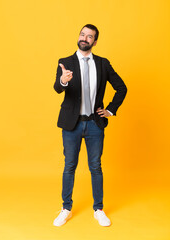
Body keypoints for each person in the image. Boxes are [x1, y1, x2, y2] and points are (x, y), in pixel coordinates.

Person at [53, 24, 127, 227]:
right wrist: (64, 80)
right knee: (69, 166)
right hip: (71, 125)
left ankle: (99, 209)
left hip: (94, 124)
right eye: (82, 34)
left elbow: (122, 87)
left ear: (95, 41)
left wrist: (110, 110)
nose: (84, 38)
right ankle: (66, 208)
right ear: (79, 37)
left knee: (95, 166)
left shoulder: (103, 64)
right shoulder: (65, 62)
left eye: (90, 36)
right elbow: (57, 88)